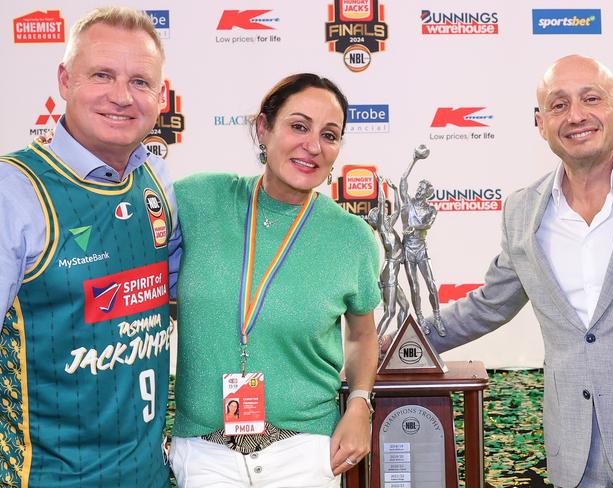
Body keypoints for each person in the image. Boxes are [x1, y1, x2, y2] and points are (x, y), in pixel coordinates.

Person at [426, 54, 613, 487]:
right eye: (558, 104)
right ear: (541, 122)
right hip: (574, 452)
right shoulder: (523, 211)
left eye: (591, 98)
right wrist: (394, 342)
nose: (576, 115)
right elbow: (488, 305)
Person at [170, 73, 380, 487]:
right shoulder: (199, 201)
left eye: (330, 135)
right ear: (263, 128)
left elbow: (361, 335)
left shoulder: (352, 237)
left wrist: (359, 403)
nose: (313, 146)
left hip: (306, 452)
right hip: (204, 452)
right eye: (298, 126)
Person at [0, 7, 180, 487]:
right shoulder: (12, 192)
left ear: (160, 97)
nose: (121, 97)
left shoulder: (157, 181)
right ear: (64, 80)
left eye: (140, 82)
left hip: (150, 476)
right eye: (102, 74)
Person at [399, 145, 446, 336]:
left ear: (428, 194)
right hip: (407, 250)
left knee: (431, 284)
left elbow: (427, 225)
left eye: (422, 189)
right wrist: (414, 159)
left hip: (421, 249)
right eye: (418, 188)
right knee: (415, 287)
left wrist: (414, 228)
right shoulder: (408, 204)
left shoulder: (431, 210)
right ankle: (419, 318)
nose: (418, 191)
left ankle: (437, 317)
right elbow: (403, 180)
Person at [367, 175, 409, 341]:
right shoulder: (383, 229)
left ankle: (400, 339)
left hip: (393, 272)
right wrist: (379, 184)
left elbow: (398, 209)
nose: (382, 213)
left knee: (405, 306)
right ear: (377, 220)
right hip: (389, 272)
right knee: (390, 312)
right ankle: (375, 345)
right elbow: (381, 204)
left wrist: (396, 190)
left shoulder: (388, 225)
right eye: (378, 214)